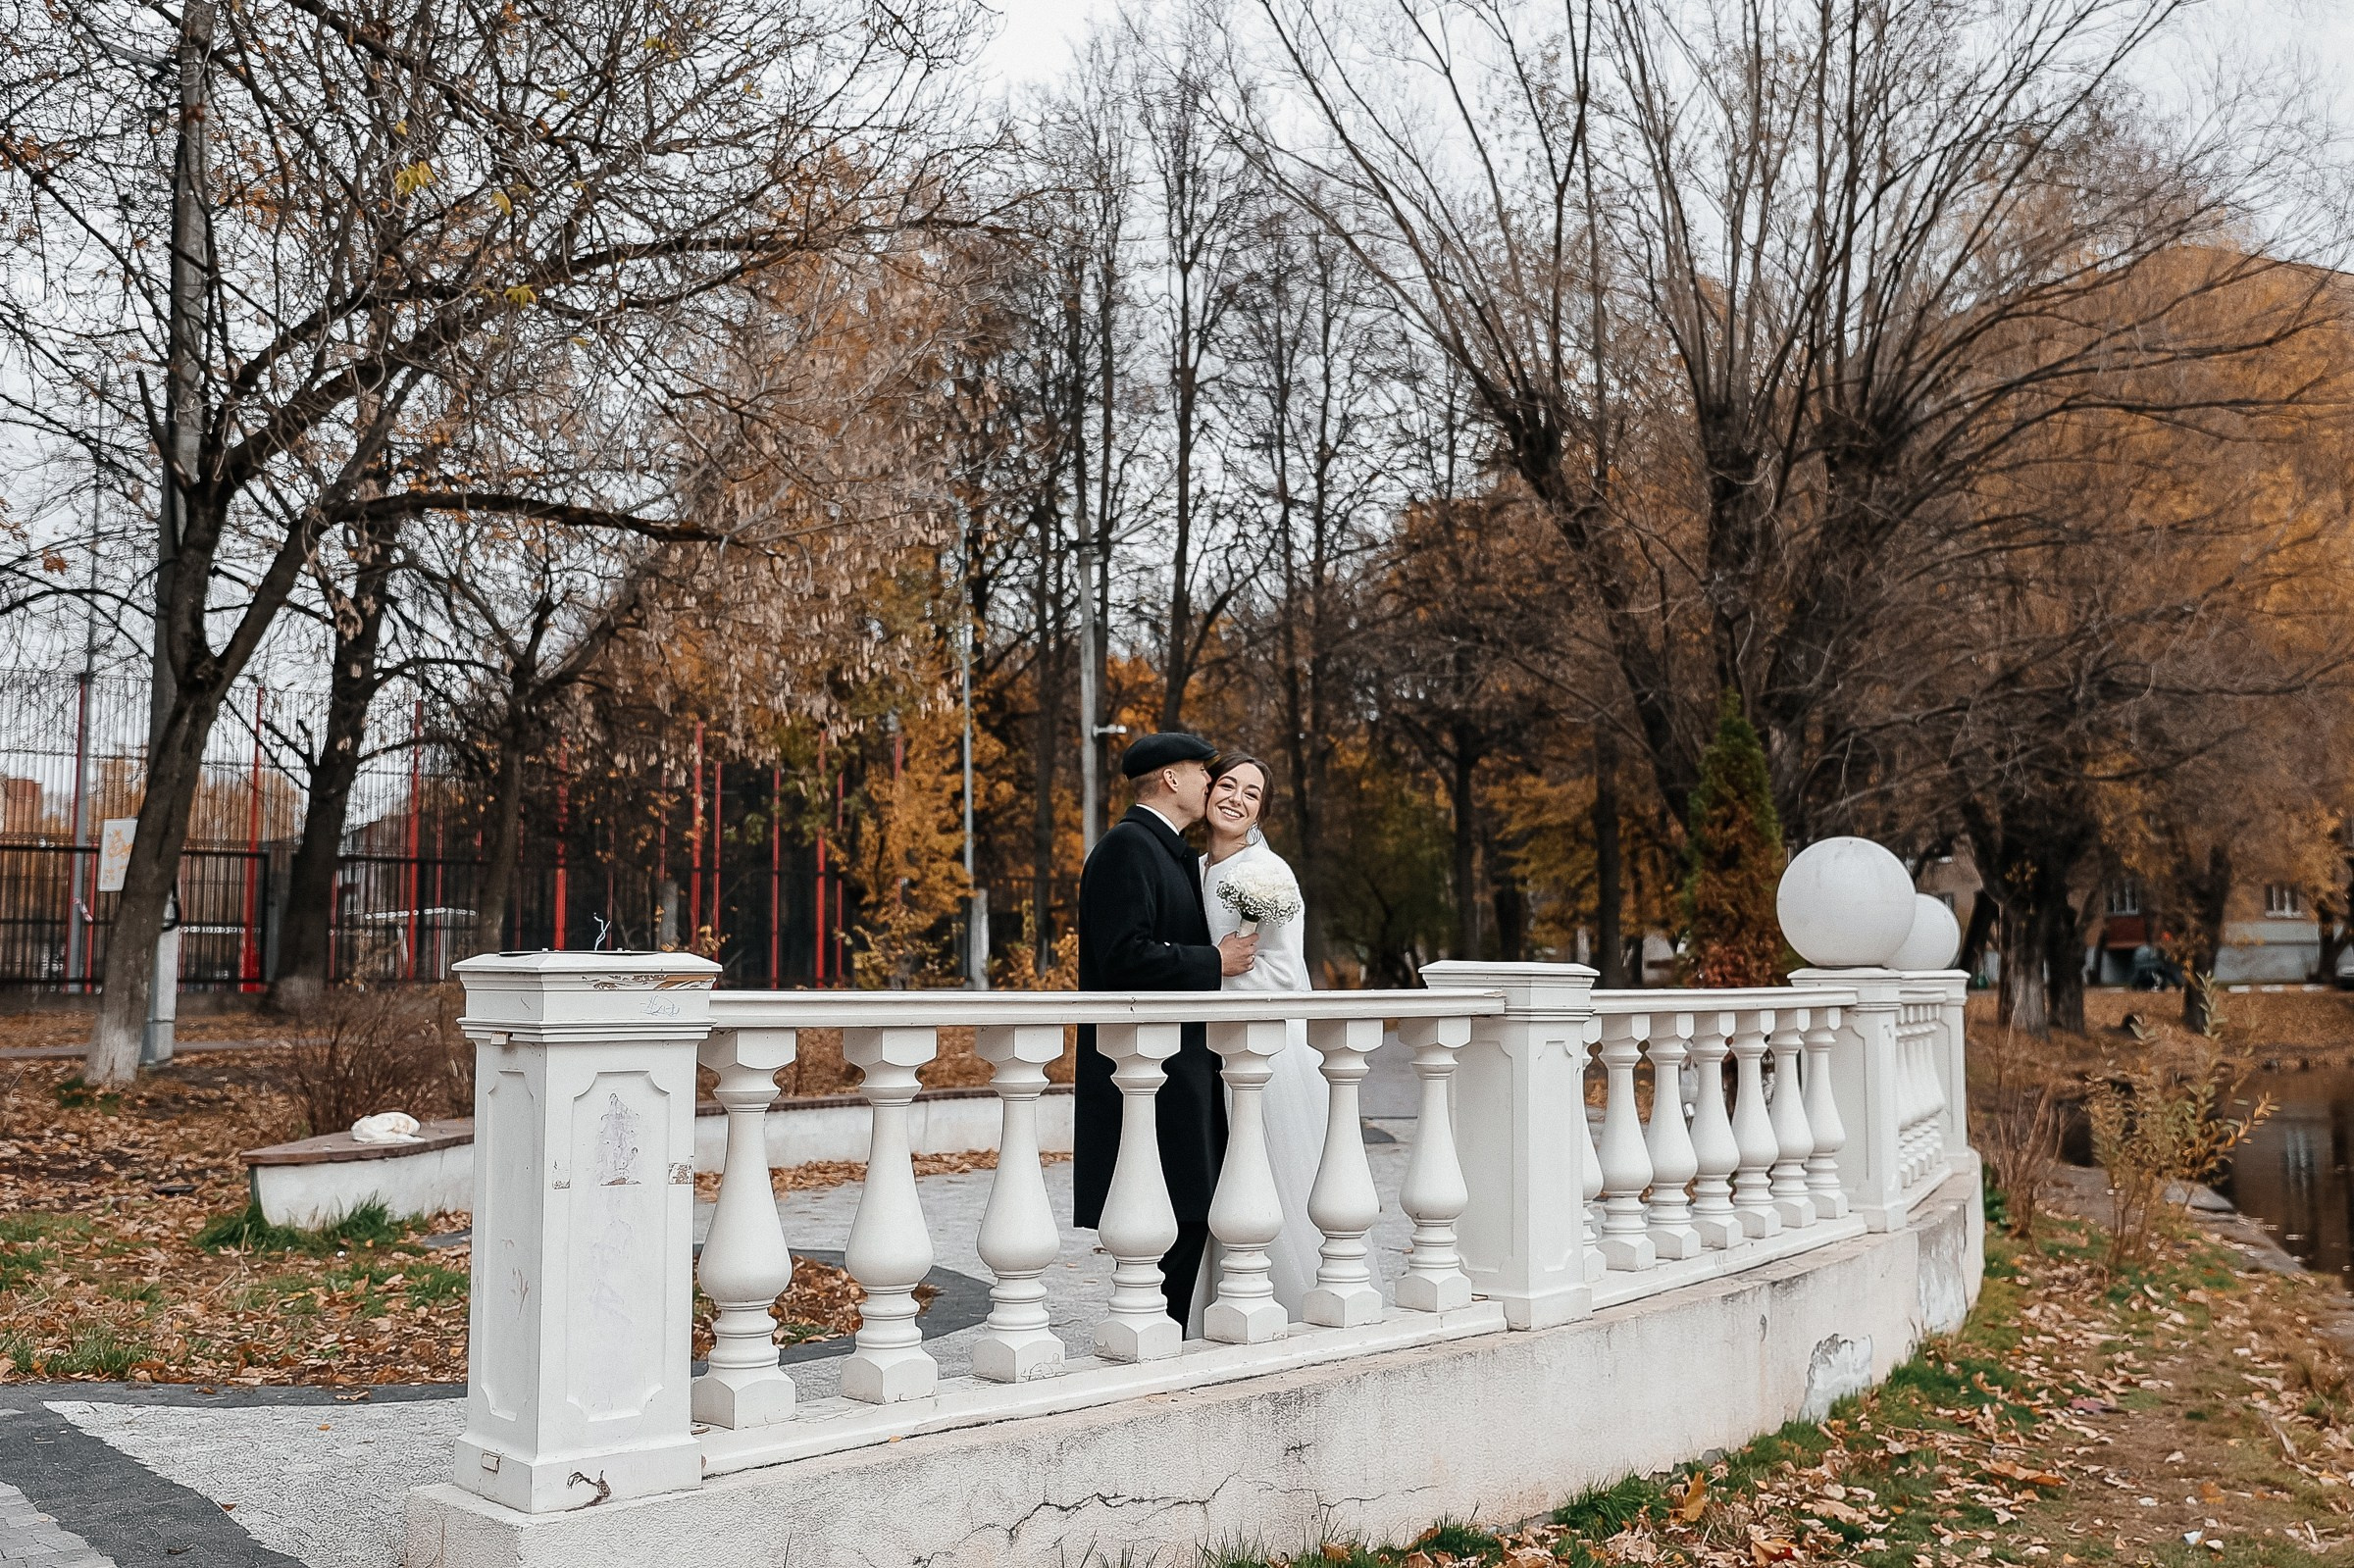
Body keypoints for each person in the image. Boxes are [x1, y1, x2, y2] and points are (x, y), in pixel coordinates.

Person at [1071, 733, 1259, 1326]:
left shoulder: (1164, 849)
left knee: (1194, 1207)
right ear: (1172, 780)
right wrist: (1215, 961)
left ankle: (1163, 1335)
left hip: (1180, 1066)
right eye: (1203, 773)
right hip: (1150, 1070)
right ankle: (1155, 1336)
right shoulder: (1129, 848)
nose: (1211, 782)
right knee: (1176, 1210)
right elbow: (1124, 956)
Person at [1198, 752, 1324, 1319]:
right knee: (1215, 1174)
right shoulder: (1195, 866)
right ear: (1206, 791)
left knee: (1264, 1170)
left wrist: (1214, 976)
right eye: (1227, 784)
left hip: (1258, 1045)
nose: (1236, 798)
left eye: (1252, 794)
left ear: (1261, 811)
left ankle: (1283, 1303)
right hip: (1204, 1048)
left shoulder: (1267, 874)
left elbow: (1284, 972)